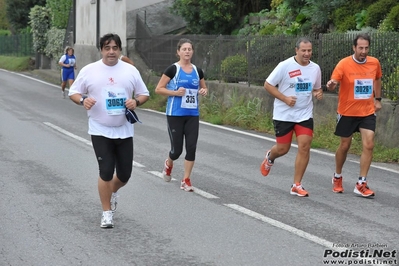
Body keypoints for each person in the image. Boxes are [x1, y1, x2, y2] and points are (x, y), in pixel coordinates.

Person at [68, 33, 150, 228]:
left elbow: (144, 93)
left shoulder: (130, 70)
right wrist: (83, 100)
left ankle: (111, 191)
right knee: (105, 171)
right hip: (100, 129)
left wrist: (135, 101)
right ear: (101, 50)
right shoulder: (90, 70)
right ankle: (106, 212)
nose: (111, 52)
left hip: (124, 129)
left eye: (115, 48)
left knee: (124, 175)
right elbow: (74, 92)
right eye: (107, 48)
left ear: (120, 50)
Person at [260, 37, 323, 197]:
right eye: (303, 50)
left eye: (309, 50)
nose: (307, 54)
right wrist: (285, 99)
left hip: (304, 114)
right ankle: (270, 157)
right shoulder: (285, 66)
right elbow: (268, 84)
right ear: (296, 50)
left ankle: (296, 184)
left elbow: (316, 88)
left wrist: (318, 93)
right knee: (283, 149)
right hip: (284, 114)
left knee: (305, 145)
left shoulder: (315, 68)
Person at [326, 33, 382, 198]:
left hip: (367, 111)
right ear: (354, 47)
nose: (363, 51)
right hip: (347, 112)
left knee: (369, 144)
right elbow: (333, 83)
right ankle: (337, 176)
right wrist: (331, 85)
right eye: (360, 48)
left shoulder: (374, 63)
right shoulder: (344, 64)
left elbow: (378, 79)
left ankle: (361, 183)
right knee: (345, 146)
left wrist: (377, 100)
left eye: (366, 48)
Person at [155, 38, 208, 192]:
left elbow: (204, 88)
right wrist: (175, 93)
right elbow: (159, 89)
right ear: (178, 52)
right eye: (184, 49)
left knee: (191, 147)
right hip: (175, 114)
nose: (187, 52)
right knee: (177, 151)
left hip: (192, 114)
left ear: (192, 52)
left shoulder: (198, 71)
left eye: (189, 49)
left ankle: (186, 180)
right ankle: (169, 163)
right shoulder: (173, 69)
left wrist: (203, 91)